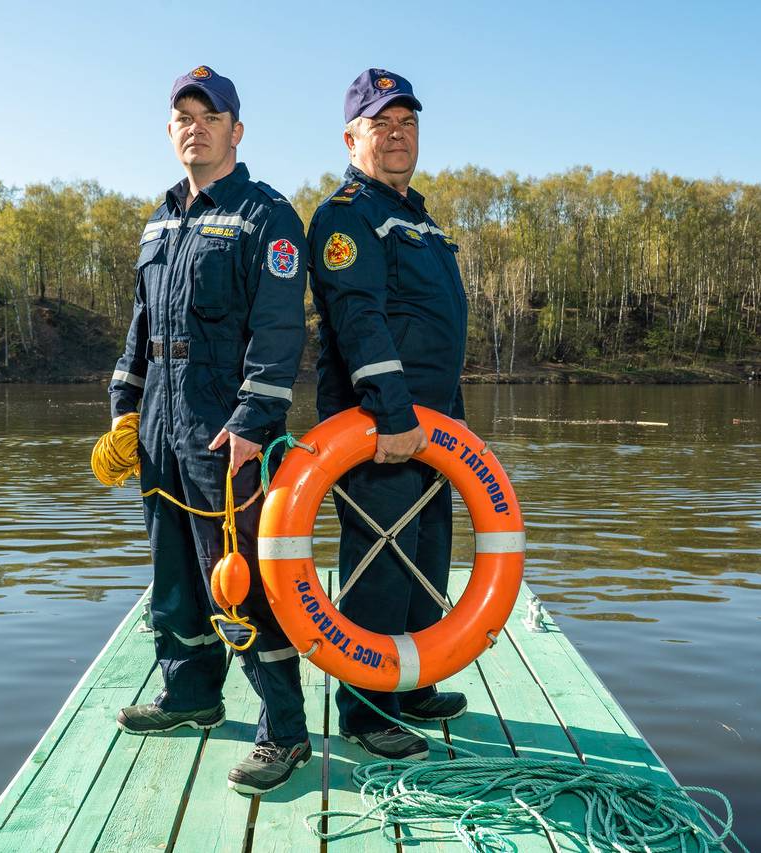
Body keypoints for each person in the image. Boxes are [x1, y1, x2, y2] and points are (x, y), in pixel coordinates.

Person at [109, 65, 310, 795]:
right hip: (160, 415)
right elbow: (141, 326)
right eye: (182, 117)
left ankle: (283, 728)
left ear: (236, 130)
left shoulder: (267, 216)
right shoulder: (159, 219)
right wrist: (123, 406)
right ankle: (191, 692)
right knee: (174, 573)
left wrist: (255, 418)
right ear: (171, 132)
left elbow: (281, 328)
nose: (194, 126)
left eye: (208, 115)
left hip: (227, 425)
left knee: (244, 578)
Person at [307, 68, 469, 760]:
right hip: (379, 426)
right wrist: (393, 415)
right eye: (381, 123)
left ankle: (410, 685)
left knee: (429, 553)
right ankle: (367, 707)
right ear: (352, 137)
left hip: (434, 426)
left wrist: (454, 428)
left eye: (407, 123)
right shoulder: (348, 214)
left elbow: (437, 331)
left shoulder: (419, 218)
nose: (397, 134)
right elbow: (359, 320)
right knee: (379, 562)